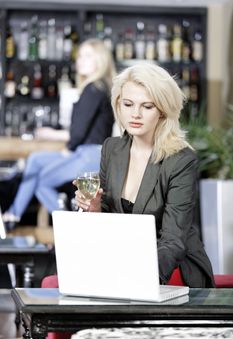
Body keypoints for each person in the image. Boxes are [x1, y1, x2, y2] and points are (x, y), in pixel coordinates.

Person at [75, 62, 215, 288]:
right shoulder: (112, 149)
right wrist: (95, 209)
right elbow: (110, 223)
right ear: (118, 105)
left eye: (147, 106)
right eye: (128, 104)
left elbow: (173, 242)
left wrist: (133, 278)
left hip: (171, 267)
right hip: (124, 260)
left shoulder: (181, 160)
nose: (135, 114)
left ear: (162, 110)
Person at [3, 38, 116, 226]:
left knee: (41, 180)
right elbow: (83, 130)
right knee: (35, 160)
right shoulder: (98, 89)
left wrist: (68, 149)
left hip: (90, 156)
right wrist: (53, 135)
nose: (80, 60)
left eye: (88, 56)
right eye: (79, 56)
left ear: (101, 60)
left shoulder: (93, 89)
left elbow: (78, 134)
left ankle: (65, 221)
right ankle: (16, 214)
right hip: (90, 152)